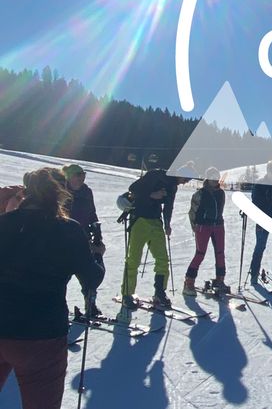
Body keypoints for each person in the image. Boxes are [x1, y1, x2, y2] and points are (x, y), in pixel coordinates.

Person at [0, 168, 105, 409]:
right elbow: (91, 279)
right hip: (41, 335)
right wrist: (98, 255)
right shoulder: (69, 230)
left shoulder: (3, 222)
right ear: (61, 194)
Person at [120, 166, 185, 309]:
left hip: (156, 220)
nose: (185, 182)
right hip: (139, 219)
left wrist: (167, 223)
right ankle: (127, 294)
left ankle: (159, 293)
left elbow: (169, 206)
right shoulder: (156, 174)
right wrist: (151, 194)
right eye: (186, 178)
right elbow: (133, 189)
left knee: (162, 259)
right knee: (133, 259)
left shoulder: (173, 186)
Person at [62, 163, 105, 316]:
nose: (81, 178)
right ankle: (59, 306)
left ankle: (90, 304)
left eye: (83, 175)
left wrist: (97, 235)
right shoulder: (61, 192)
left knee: (89, 273)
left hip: (84, 237)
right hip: (65, 239)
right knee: (62, 275)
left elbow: (92, 213)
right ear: (69, 177)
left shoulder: (87, 192)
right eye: (78, 175)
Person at [183, 167, 228, 296]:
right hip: (203, 226)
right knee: (200, 254)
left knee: (220, 253)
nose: (215, 180)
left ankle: (220, 280)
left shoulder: (221, 193)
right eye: (212, 177)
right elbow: (192, 211)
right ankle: (189, 281)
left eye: (216, 177)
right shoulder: (200, 193)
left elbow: (220, 209)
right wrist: (194, 226)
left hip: (218, 225)